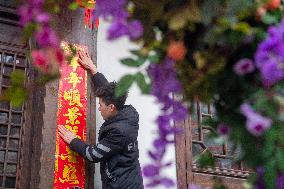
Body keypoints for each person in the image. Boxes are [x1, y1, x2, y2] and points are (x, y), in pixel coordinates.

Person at [58, 49, 144, 189]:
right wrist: (92, 68)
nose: (99, 109)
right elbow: (107, 91)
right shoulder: (125, 111)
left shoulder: (119, 132)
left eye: (100, 105)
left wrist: (73, 139)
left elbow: (93, 155)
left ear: (111, 107)